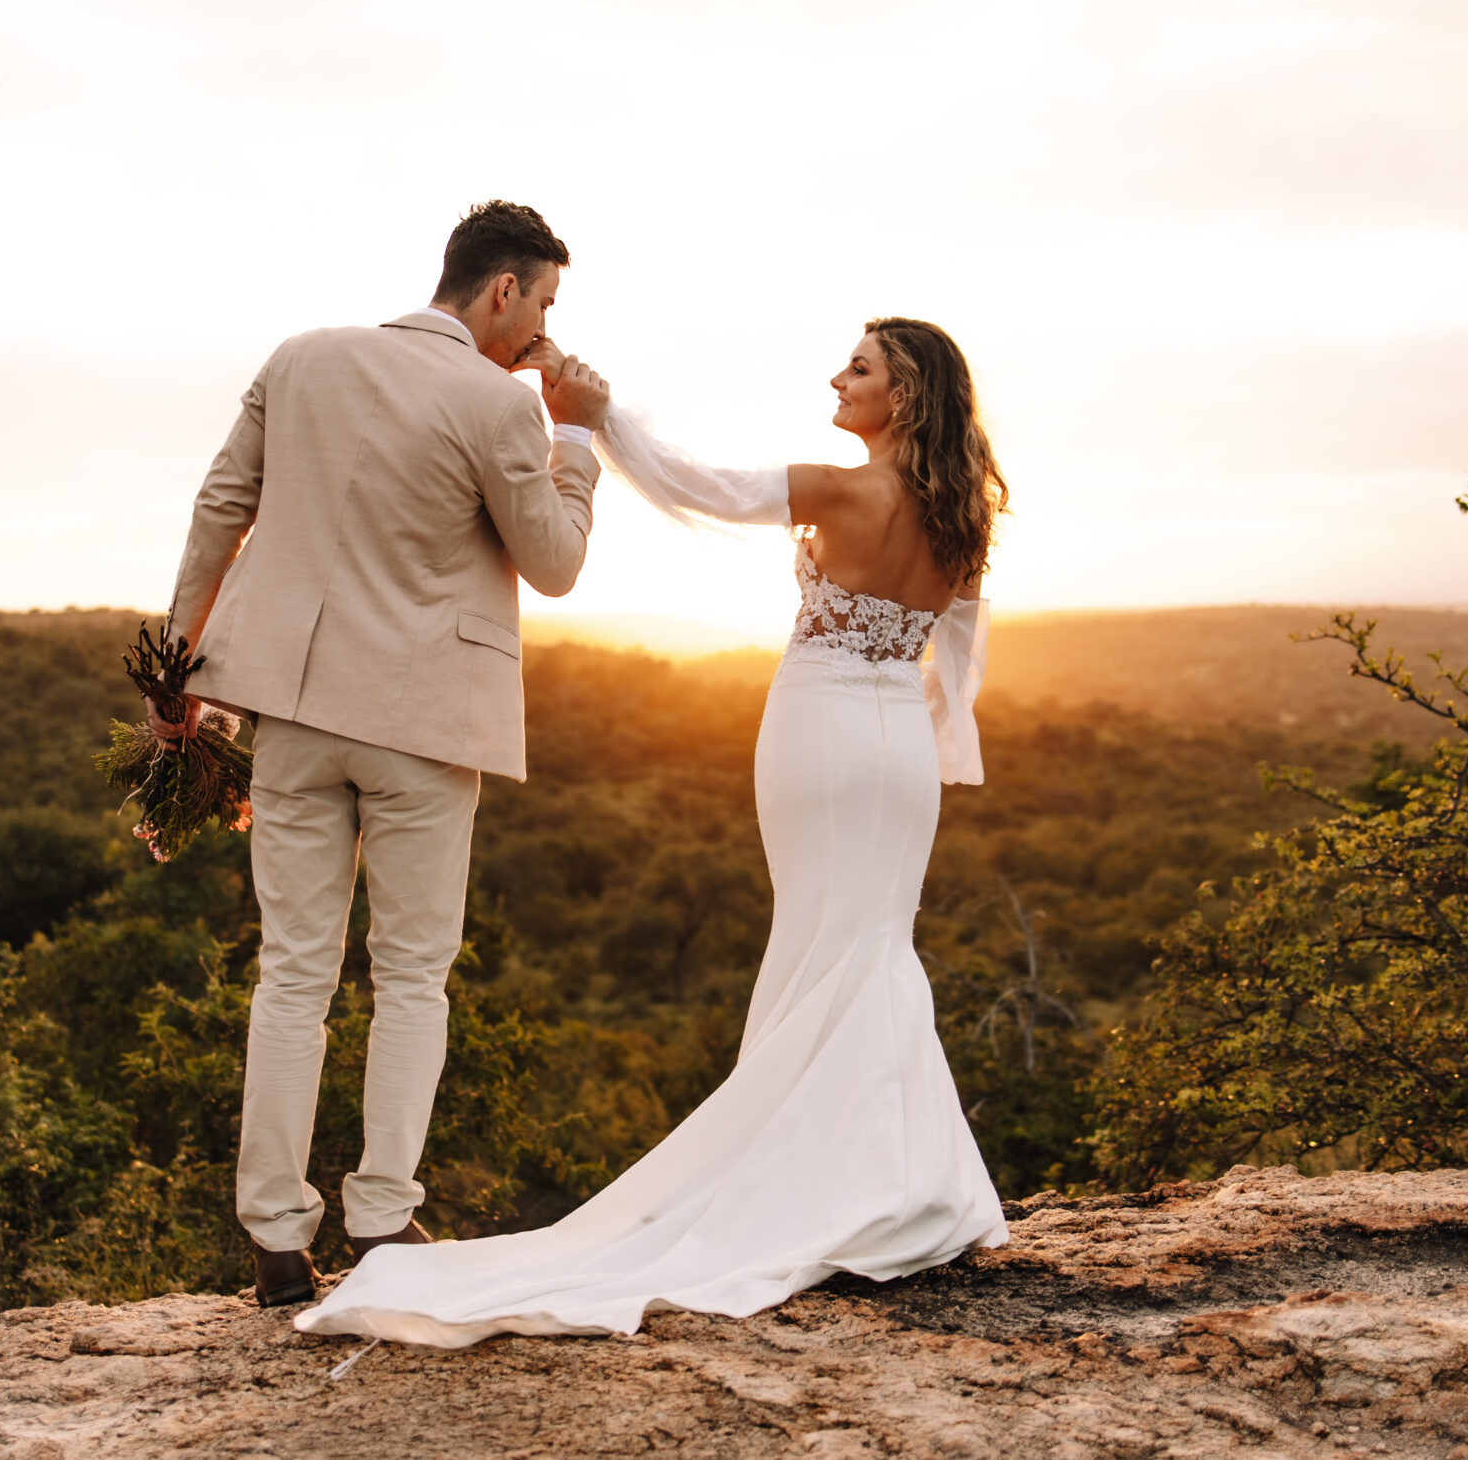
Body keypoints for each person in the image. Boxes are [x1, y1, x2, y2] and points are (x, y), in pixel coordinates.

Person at [297, 317, 1010, 1346]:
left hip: (815, 730)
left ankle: (806, 1179)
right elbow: (961, 654)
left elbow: (697, 486)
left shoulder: (837, 488)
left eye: (857, 366)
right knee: (870, 944)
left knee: (816, 937)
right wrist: (940, 743)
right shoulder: (960, 516)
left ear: (902, 395)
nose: (836, 377)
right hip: (899, 747)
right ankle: (904, 1182)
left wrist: (596, 418)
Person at [161, 200, 612, 1308]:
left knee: (293, 972)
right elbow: (551, 564)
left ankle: (273, 1233)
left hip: (296, 711)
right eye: (544, 303)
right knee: (412, 975)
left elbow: (222, 507)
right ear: (501, 290)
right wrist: (577, 438)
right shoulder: (499, 403)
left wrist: (177, 678)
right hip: (421, 720)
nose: (542, 329)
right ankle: (381, 1218)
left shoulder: (302, 358)